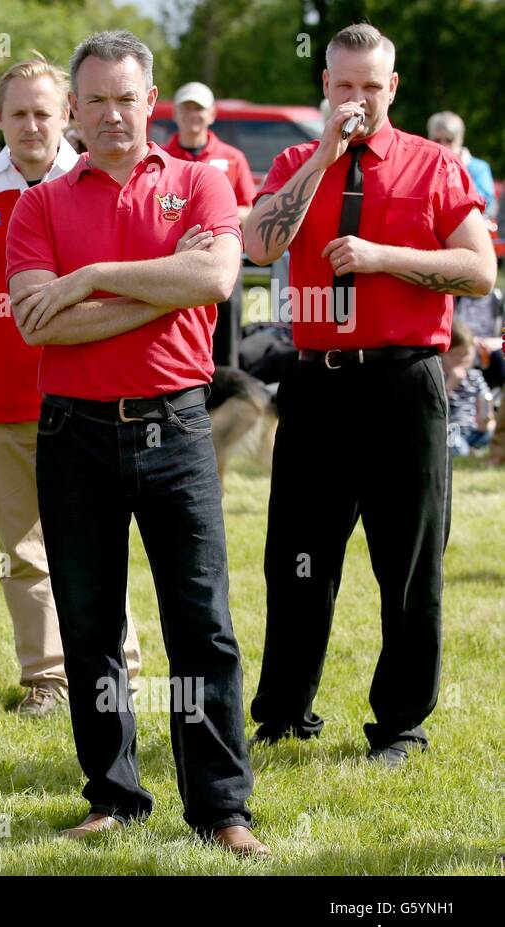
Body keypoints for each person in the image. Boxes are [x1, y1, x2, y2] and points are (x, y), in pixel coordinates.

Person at [7, 30, 266, 855]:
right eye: (98, 101)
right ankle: (113, 795)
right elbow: (38, 317)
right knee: (89, 625)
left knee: (203, 624)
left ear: (150, 103)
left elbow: (218, 279)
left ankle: (222, 808)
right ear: (74, 111)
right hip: (72, 432)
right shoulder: (39, 203)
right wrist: (159, 281)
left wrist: (89, 278)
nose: (114, 114)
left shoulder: (201, 180)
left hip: (177, 426)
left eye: (128, 98)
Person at [244, 24, 494, 765]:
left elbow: (479, 272)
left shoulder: (435, 166)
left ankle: (401, 726)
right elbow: (259, 245)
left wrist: (384, 258)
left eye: (371, 87)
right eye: (344, 85)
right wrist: (323, 155)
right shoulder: (296, 160)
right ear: (325, 85)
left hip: (404, 384)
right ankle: (285, 713)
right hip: (317, 384)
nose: (357, 99)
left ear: (393, 89)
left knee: (410, 561)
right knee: (296, 558)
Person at [0, 57, 142, 716]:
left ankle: (124, 667)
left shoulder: (97, 184)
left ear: (65, 114)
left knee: (97, 539)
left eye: (43, 112)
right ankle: (48, 677)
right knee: (23, 548)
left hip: (87, 391)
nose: (31, 125)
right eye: (18, 114)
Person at [163, 82, 256, 369]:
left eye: (199, 109)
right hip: (172, 260)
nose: (193, 115)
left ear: (212, 114)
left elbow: (251, 211)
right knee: (172, 330)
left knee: (225, 335)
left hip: (221, 260)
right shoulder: (161, 158)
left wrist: (213, 214)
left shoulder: (232, 158)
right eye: (187, 108)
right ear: (176, 114)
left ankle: (224, 397)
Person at [427, 111, 498, 220]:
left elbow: (485, 200)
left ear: (460, 139)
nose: (443, 145)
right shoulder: (426, 166)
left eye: (449, 140)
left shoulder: (479, 168)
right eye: (437, 140)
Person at [443, 321, 496, 455]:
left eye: (466, 354)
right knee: (456, 444)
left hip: (474, 430)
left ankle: (473, 449)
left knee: (491, 434)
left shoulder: (475, 376)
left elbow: (485, 403)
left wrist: (487, 420)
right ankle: (469, 451)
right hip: (452, 431)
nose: (462, 359)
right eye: (455, 355)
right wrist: (450, 384)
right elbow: (436, 403)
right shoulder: (441, 377)